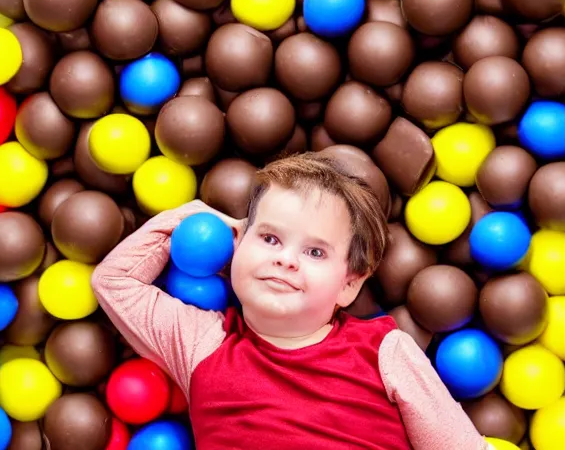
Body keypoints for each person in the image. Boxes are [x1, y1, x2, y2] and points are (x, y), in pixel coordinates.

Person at [92, 152, 490, 449]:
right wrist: (191, 220)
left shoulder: (384, 352)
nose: (285, 258)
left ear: (348, 285)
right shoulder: (202, 343)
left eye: (315, 252)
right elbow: (113, 282)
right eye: (269, 238)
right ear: (238, 245)